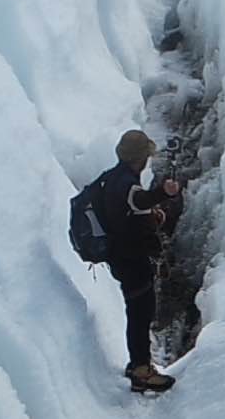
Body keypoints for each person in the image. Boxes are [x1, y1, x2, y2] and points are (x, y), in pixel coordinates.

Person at [67, 128, 183, 396]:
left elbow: (127, 210)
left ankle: (138, 365)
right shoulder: (126, 183)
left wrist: (148, 215)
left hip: (120, 257)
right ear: (139, 158)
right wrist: (164, 193)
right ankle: (142, 371)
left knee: (136, 311)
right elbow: (137, 199)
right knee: (141, 312)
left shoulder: (110, 179)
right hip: (131, 259)